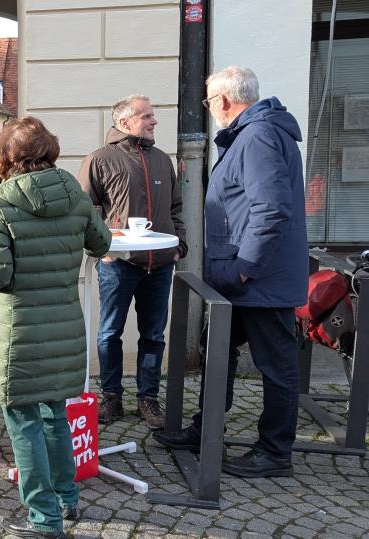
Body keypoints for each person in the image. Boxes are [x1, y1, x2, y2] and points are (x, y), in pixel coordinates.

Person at [153, 66, 307, 479]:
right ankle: (207, 428)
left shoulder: (257, 136)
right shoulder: (250, 134)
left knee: (276, 365)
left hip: (258, 279)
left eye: (208, 101)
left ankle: (275, 452)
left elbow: (271, 209)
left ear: (222, 101)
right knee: (217, 348)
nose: (209, 108)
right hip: (244, 277)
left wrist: (244, 269)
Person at [0, 117, 111, 538]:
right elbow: (101, 244)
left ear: (6, 157)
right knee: (55, 415)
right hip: (63, 326)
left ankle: (44, 518)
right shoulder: (74, 194)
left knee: (24, 422)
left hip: (20, 332)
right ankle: (67, 498)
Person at [78, 95, 187, 429]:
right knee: (109, 333)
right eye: (147, 116)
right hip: (118, 264)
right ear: (124, 122)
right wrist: (101, 249)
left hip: (161, 264)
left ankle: (147, 398)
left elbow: (176, 206)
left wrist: (179, 244)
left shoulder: (162, 160)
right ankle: (111, 397)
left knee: (154, 334)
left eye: (153, 115)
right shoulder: (100, 158)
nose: (155, 121)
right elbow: (83, 211)